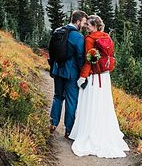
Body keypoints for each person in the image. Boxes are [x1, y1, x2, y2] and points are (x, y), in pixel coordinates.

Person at [70, 15, 129, 158]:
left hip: (94, 77)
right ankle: (104, 132)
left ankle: (90, 132)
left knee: (91, 104)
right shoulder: (107, 38)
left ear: (94, 26)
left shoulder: (90, 39)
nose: (86, 28)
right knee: (103, 105)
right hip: (105, 76)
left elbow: (88, 60)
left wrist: (82, 76)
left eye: (88, 26)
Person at [49, 10, 88, 140]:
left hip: (57, 69)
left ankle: (53, 123)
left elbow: (52, 51)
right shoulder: (78, 37)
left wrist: (52, 67)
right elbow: (80, 57)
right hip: (71, 73)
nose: (84, 25)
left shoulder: (58, 31)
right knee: (71, 101)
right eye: (83, 22)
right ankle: (68, 130)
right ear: (77, 22)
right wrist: (84, 75)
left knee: (58, 97)